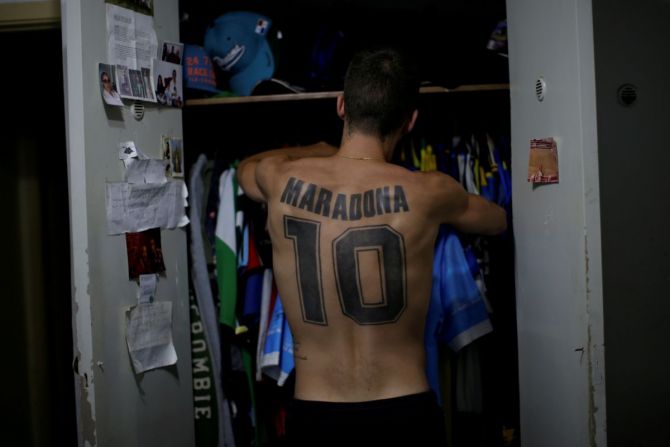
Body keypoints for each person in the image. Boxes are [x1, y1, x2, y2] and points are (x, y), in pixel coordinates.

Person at [236, 47, 507, 446]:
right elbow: (497, 220)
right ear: (410, 120)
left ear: (342, 105)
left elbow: (245, 169)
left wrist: (318, 150)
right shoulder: (430, 192)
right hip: (404, 412)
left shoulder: (279, 179)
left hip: (314, 413)